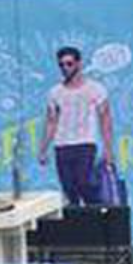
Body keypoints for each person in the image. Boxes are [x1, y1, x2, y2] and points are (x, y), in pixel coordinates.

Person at [36, 46, 115, 207]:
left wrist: (108, 150)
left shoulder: (96, 89)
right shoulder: (55, 92)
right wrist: (43, 149)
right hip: (62, 145)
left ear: (79, 64)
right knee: (69, 188)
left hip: (85, 143)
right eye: (62, 65)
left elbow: (105, 119)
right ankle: (78, 226)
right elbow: (51, 121)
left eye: (69, 64)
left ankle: (97, 214)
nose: (65, 68)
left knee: (84, 182)